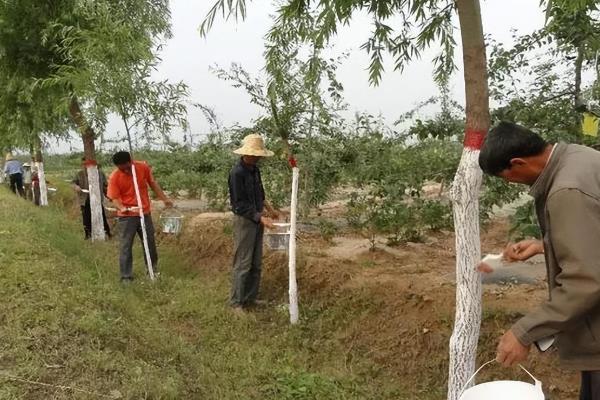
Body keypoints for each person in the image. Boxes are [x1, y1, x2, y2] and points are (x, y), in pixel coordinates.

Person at [479, 121, 600, 400]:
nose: (511, 184)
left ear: (518, 163)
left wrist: (524, 332)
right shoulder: (579, 157)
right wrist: (544, 245)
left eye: (505, 177)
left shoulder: (565, 191)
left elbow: (586, 281)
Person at [228, 133, 280, 313]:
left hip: (257, 219)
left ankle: (251, 297)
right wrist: (261, 217)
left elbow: (261, 194)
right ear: (247, 153)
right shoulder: (237, 173)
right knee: (243, 262)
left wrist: (271, 210)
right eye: (256, 154)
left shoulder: (255, 170)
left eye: (259, 155)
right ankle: (236, 303)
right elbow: (239, 204)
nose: (258, 158)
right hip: (245, 222)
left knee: (256, 263)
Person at [107, 151, 173, 282]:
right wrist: (122, 208)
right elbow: (114, 198)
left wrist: (165, 199)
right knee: (126, 246)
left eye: (126, 167)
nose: (125, 171)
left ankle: (152, 271)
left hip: (145, 213)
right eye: (121, 169)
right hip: (127, 216)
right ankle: (126, 276)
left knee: (149, 243)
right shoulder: (115, 177)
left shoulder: (142, 167)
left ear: (130, 161)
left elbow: (153, 184)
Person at [73, 158, 111, 239]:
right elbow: (74, 183)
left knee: (102, 216)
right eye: (84, 165)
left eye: (87, 165)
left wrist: (109, 196)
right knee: (86, 218)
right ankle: (88, 235)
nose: (85, 167)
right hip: (84, 199)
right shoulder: (79, 174)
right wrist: (76, 187)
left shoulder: (100, 174)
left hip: (97, 199)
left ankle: (107, 233)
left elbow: (105, 187)